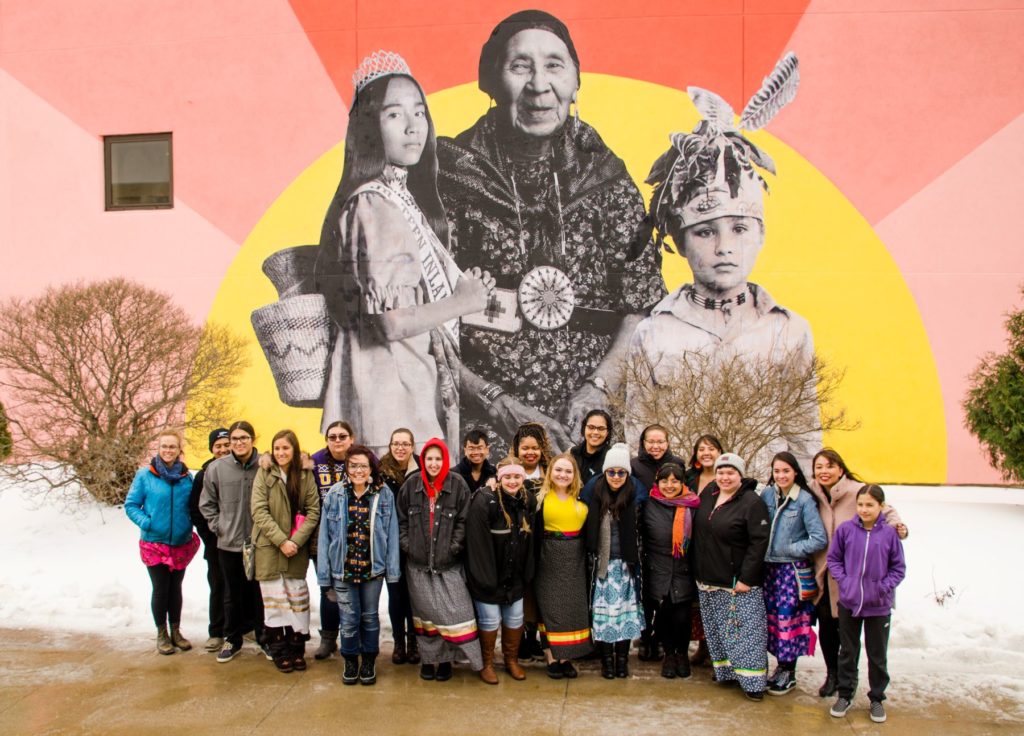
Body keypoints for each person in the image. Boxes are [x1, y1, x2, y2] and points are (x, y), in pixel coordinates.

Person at [438, 10, 664, 455]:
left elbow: (641, 304)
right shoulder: (450, 178)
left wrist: (597, 388)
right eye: (520, 65)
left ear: (576, 81)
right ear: (490, 80)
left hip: (588, 423)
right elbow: (421, 323)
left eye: (555, 65)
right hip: (482, 424)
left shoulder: (607, 179)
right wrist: (495, 402)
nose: (539, 84)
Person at [627, 59, 817, 475]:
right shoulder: (653, 332)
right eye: (705, 232)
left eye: (739, 229)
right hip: (680, 507)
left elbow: (805, 435)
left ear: (762, 234)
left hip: (762, 513)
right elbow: (637, 431)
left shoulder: (789, 330)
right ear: (679, 240)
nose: (725, 248)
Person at [316, 50, 491, 455]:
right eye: (395, 115)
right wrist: (461, 302)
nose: (414, 128)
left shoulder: (399, 199)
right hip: (389, 390)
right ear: (368, 129)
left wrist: (461, 293)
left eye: (419, 113)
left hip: (407, 381)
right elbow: (390, 324)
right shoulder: (375, 203)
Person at [810, 448, 908, 698]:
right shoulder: (812, 491)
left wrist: (897, 526)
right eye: (819, 466)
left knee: (851, 635)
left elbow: (885, 510)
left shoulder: (857, 491)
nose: (824, 471)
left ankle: (860, 686)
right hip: (823, 569)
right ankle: (834, 676)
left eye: (829, 466)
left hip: (854, 575)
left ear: (840, 469)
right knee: (828, 628)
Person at [397, 438, 483, 680]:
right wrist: (409, 546)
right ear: (422, 460)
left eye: (438, 459)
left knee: (455, 612)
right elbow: (402, 520)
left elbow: (464, 521)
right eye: (429, 459)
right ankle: (429, 661)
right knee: (425, 617)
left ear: (445, 460)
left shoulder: (457, 485)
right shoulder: (411, 484)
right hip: (418, 565)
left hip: (449, 564)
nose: (434, 464)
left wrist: (454, 547)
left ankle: (447, 660)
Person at [317, 445, 401, 686]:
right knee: (349, 618)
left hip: (372, 569)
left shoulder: (383, 494)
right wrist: (324, 576)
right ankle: (351, 658)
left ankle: (369, 660)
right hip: (342, 570)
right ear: (347, 467)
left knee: (370, 617)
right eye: (353, 465)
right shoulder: (335, 494)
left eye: (363, 465)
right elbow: (325, 536)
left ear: (371, 468)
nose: (358, 470)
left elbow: (392, 534)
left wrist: (392, 572)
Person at [692, 453, 770, 701]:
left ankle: (753, 682)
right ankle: (727, 672)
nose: (725, 477)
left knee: (745, 633)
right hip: (709, 578)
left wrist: (747, 577)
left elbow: (759, 543)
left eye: (730, 472)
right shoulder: (710, 493)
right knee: (718, 631)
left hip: (737, 582)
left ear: (740, 475)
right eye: (721, 472)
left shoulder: (751, 501)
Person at [827, 485, 906, 724]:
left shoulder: (889, 534)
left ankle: (877, 698)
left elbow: (898, 568)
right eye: (860, 504)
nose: (864, 509)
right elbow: (834, 559)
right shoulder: (846, 530)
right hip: (849, 603)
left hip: (878, 606)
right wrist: (845, 582)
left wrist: (883, 587)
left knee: (877, 654)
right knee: (848, 652)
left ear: (881, 506)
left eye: (870, 505)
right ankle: (845, 694)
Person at [251, 430, 321, 673]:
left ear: (294, 450)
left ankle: (297, 648)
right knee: (274, 603)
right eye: (277, 448)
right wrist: (281, 541)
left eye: (286, 449)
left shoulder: (304, 475)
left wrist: (296, 541)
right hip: (269, 548)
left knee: (296, 598)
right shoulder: (264, 472)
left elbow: (313, 511)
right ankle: (279, 650)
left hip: (296, 549)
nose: (281, 453)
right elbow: (259, 510)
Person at [125, 430, 200, 655]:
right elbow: (131, 505)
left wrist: (188, 524)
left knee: (175, 588)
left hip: (180, 541)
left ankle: (176, 631)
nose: (168, 450)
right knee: (160, 588)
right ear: (158, 449)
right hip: (154, 543)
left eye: (172, 447)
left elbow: (193, 507)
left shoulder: (187, 478)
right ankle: (162, 633)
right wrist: (147, 523)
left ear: (179, 451)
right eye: (164, 446)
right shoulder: (145, 475)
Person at [760, 452, 828, 695]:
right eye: (777, 471)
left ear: (795, 472)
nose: (781, 476)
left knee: (789, 621)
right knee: (772, 621)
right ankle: (776, 667)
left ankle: (788, 671)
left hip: (791, 571)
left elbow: (818, 538)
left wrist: (791, 549)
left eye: (785, 471)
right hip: (768, 570)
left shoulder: (804, 500)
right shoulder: (768, 494)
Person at [466, 456, 537, 684]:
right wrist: (486, 580)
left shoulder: (528, 501)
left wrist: (527, 573)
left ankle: (511, 660)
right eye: (508, 476)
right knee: (489, 620)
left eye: (517, 476)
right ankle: (487, 663)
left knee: (515, 618)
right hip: (488, 575)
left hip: (514, 575)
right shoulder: (485, 500)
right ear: (499, 477)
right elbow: (476, 543)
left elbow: (531, 540)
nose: (513, 481)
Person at [200, 420, 266, 663]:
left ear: (252, 439)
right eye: (235, 439)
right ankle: (232, 639)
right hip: (229, 544)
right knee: (231, 594)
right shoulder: (217, 468)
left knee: (259, 593)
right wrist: (219, 526)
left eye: (243, 438)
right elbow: (206, 503)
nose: (239, 443)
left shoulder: (265, 465)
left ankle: (263, 637)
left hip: (259, 543)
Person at [585, 442, 647, 679]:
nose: (616, 477)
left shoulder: (635, 495)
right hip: (603, 566)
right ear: (605, 472)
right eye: (612, 471)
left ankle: (622, 660)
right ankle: (607, 660)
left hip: (627, 566)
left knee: (625, 616)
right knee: (604, 618)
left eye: (621, 472)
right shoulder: (595, 492)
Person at [533, 453, 592, 676]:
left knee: (571, 610)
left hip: (574, 559)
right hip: (547, 558)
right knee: (550, 610)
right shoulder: (538, 498)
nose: (563, 475)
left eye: (568, 471)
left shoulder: (582, 499)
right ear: (550, 472)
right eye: (558, 470)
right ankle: (551, 658)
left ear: (574, 475)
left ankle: (566, 657)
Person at [630, 423, 685, 660]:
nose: (655, 446)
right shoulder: (634, 465)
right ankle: (646, 636)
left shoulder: (678, 464)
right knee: (646, 592)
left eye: (660, 441)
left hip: (671, 534)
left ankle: (662, 637)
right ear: (643, 443)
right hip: (642, 531)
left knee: (668, 594)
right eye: (650, 442)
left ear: (668, 442)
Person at [640, 462, 700, 679]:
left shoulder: (693, 504)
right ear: (658, 482)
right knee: (664, 615)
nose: (669, 485)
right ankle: (669, 654)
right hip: (658, 567)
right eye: (665, 480)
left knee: (682, 617)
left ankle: (682, 654)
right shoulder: (649, 503)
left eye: (675, 481)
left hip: (684, 568)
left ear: (683, 482)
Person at [310, 420, 354, 660]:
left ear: (352, 439)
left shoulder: (361, 460)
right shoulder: (314, 463)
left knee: (353, 591)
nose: (338, 441)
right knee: (329, 591)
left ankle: (352, 637)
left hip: (355, 538)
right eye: (332, 436)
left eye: (342, 436)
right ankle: (328, 638)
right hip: (323, 540)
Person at [377, 428, 420, 666]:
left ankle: (413, 640)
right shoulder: (381, 471)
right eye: (396, 443)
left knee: (413, 594)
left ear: (413, 446)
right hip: (390, 541)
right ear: (390, 445)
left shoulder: (422, 468)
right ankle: (398, 641)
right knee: (396, 594)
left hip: (416, 541)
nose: (400, 448)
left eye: (405, 443)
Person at [189, 427, 231, 652]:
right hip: (216, 542)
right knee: (218, 585)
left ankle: (242, 626)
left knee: (240, 586)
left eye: (226, 444)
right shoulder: (203, 475)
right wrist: (210, 536)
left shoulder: (240, 469)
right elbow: (196, 511)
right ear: (212, 449)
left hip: (238, 542)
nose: (223, 449)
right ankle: (216, 631)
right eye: (218, 446)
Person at [684, 433, 723, 666]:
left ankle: (717, 649)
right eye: (701, 449)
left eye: (711, 448)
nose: (706, 453)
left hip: (718, 547)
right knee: (696, 600)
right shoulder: (690, 478)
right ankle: (702, 645)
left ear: (720, 452)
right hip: (692, 544)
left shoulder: (727, 477)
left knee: (715, 597)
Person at [569, 409, 613, 485]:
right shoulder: (573, 453)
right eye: (591, 427)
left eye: (601, 429)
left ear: (607, 432)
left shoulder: (611, 457)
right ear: (584, 428)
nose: (595, 432)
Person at [452, 429, 497, 493]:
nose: (476, 452)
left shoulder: (494, 473)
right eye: (471, 448)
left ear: (487, 450)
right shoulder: (454, 474)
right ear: (465, 450)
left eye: (480, 448)